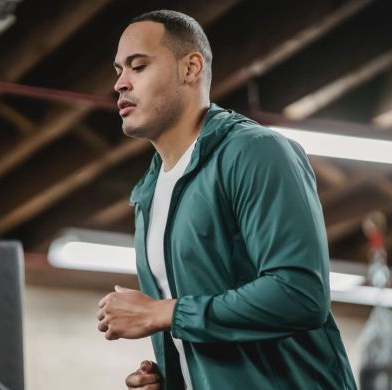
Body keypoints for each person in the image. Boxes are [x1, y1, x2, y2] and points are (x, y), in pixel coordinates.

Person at [97, 9, 357, 390]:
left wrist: (163, 312)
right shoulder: (149, 193)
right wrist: (173, 379)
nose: (120, 83)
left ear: (191, 68)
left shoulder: (256, 152)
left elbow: (300, 294)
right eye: (118, 70)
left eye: (138, 66)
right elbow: (205, 332)